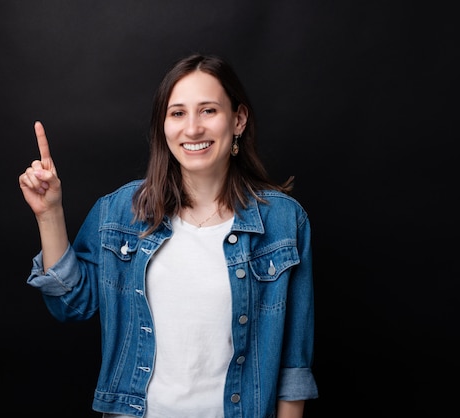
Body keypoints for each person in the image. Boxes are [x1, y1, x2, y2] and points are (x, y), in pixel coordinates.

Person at [19, 53, 318, 418]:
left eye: (208, 110)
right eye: (177, 113)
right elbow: (71, 306)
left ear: (238, 120)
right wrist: (49, 214)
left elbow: (293, 366)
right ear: (163, 125)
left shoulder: (285, 222)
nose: (192, 129)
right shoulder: (120, 212)